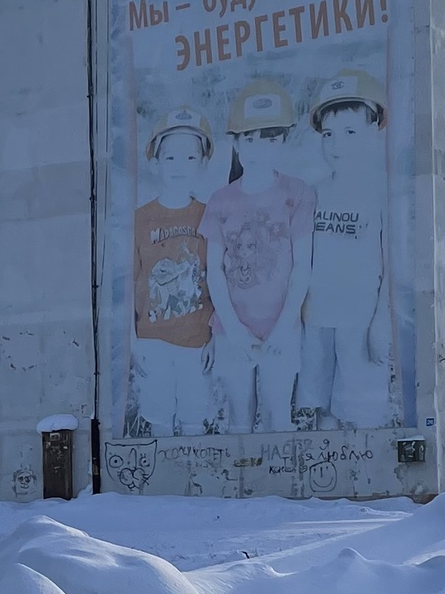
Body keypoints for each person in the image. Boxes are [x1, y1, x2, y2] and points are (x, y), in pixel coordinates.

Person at [202, 78, 314, 431]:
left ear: (283, 139)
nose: (258, 148)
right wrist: (234, 331)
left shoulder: (298, 193)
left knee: (277, 415)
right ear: (235, 143)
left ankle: (279, 488)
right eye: (248, 139)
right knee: (239, 416)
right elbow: (214, 272)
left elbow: (301, 269)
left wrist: (282, 330)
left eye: (269, 138)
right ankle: (240, 487)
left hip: (282, 326)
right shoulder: (220, 200)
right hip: (232, 329)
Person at [298, 67, 393, 428]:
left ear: (373, 132)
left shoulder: (382, 192)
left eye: (350, 132)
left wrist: (380, 324)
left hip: (360, 320)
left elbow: (391, 266)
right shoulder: (315, 191)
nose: (337, 144)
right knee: (322, 409)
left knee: (359, 411)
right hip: (317, 319)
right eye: (328, 134)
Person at [130, 108, 221, 435]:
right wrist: (132, 341)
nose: (179, 167)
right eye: (170, 158)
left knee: (193, 420)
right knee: (159, 420)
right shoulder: (140, 219)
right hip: (152, 341)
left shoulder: (209, 214)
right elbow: (129, 284)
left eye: (189, 158)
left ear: (203, 162)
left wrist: (215, 337)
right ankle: (162, 487)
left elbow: (218, 279)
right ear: (155, 162)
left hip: (197, 340)